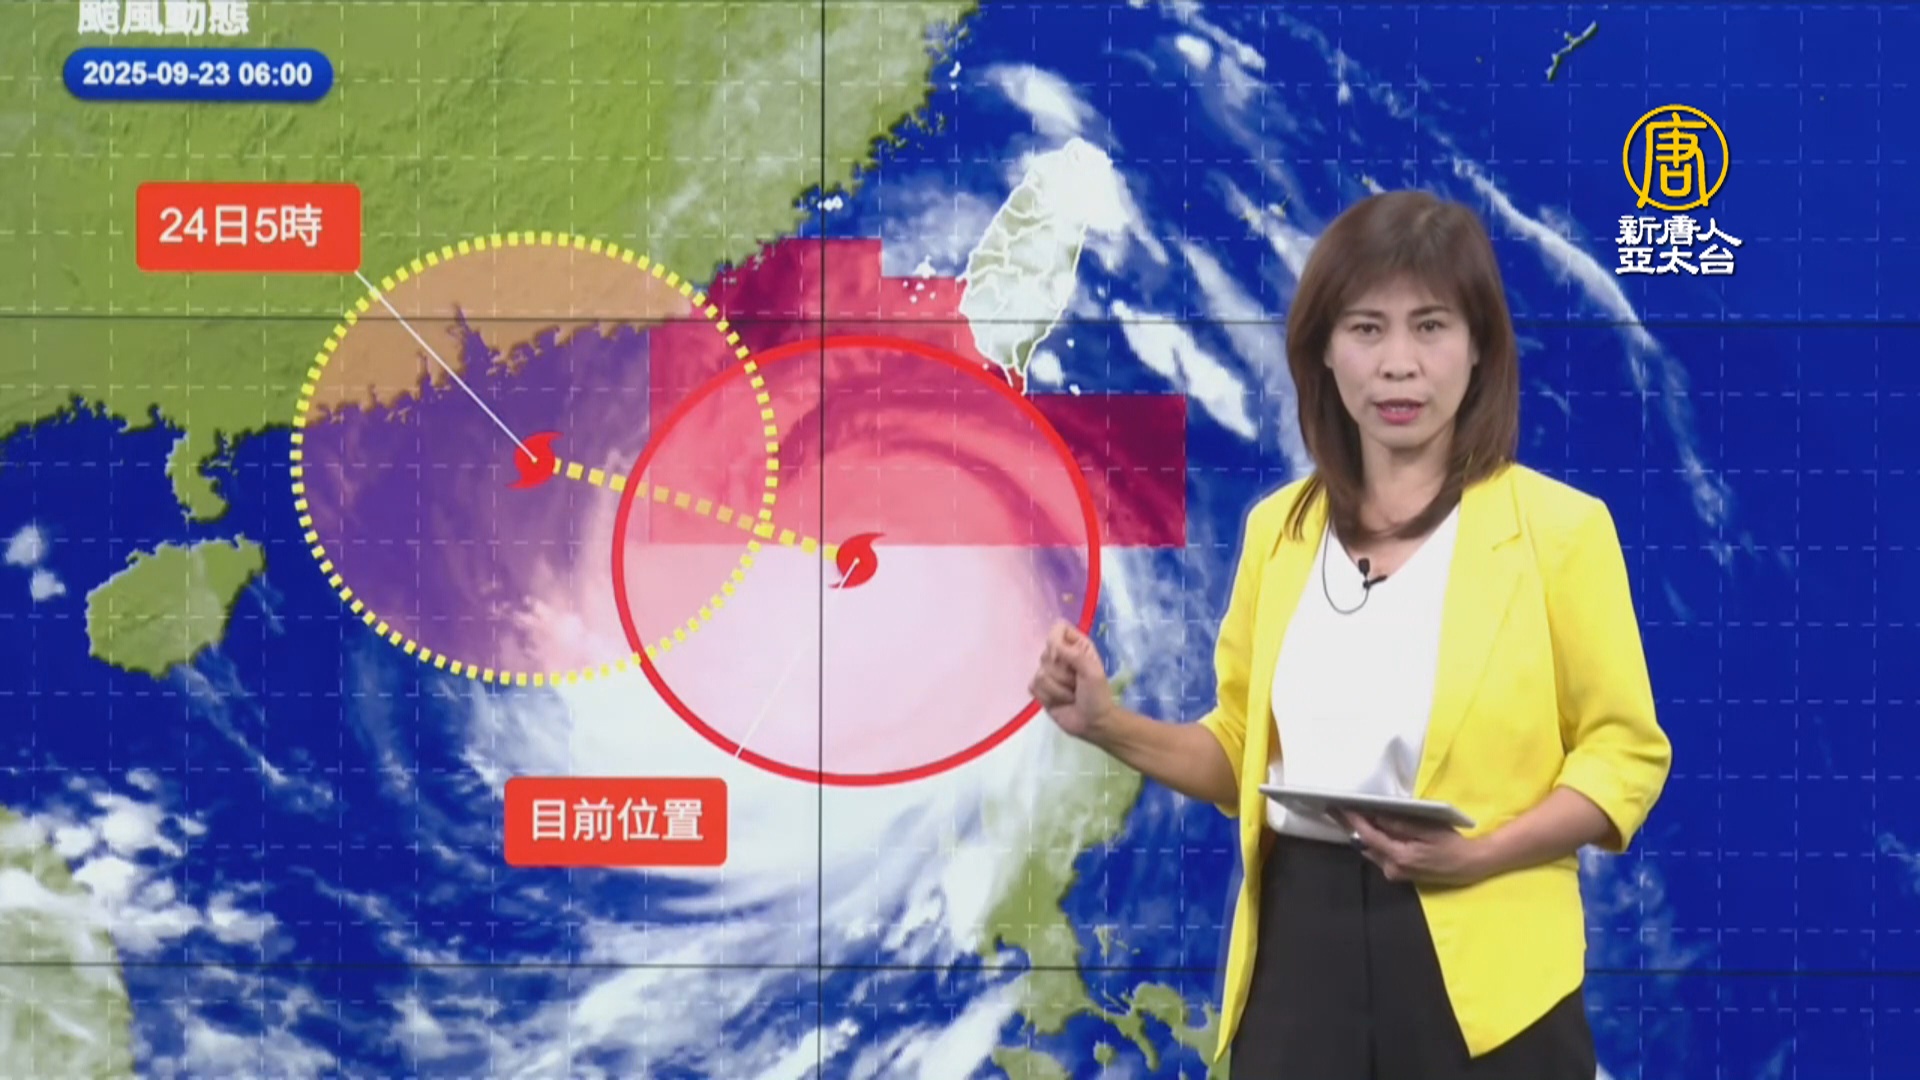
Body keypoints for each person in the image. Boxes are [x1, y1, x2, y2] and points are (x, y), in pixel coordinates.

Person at [1028, 189, 1672, 1079]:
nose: (1398, 364)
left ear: (1480, 347)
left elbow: (1623, 755)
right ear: (1324, 351)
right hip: (1300, 955)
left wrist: (1479, 854)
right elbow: (1242, 750)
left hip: (1485, 960)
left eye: (1431, 327)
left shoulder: (1561, 533)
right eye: (1367, 329)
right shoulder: (1279, 532)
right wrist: (1106, 724)